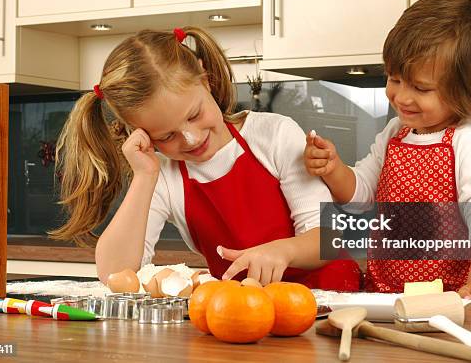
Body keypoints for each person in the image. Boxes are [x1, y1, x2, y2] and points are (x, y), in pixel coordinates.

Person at [51, 27, 361, 291]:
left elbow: (329, 236)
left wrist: (281, 252)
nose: (191, 138)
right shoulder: (163, 174)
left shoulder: (275, 135)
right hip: (243, 320)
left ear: (206, 80)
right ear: (141, 134)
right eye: (166, 137)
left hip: (328, 308)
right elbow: (115, 274)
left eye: (195, 114)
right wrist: (145, 177)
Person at [304, 0, 471, 304]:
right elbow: (360, 197)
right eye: (394, 79)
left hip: (449, 302)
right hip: (384, 297)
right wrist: (334, 170)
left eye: (421, 88)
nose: (401, 97)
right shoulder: (394, 134)